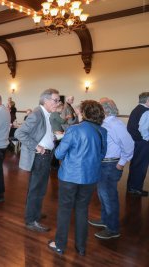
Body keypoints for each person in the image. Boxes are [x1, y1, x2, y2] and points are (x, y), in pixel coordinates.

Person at [48, 100, 107, 256]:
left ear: (85, 113)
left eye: (79, 111)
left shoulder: (74, 130)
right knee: (82, 210)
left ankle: (60, 245)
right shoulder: (103, 131)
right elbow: (102, 155)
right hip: (90, 177)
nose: (77, 113)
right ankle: (81, 248)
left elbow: (58, 154)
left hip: (70, 176)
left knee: (65, 210)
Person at [15, 88, 60, 232]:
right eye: (55, 100)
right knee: (36, 189)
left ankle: (35, 213)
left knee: (40, 188)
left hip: (46, 156)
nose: (58, 103)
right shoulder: (37, 114)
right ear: (46, 100)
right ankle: (31, 220)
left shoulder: (47, 114)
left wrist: (54, 136)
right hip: (40, 156)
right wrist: (37, 147)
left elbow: (43, 132)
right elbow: (19, 133)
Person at [88, 99, 134, 240]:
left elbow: (129, 145)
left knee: (109, 197)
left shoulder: (115, 124)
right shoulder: (105, 123)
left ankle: (113, 228)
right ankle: (105, 220)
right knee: (103, 195)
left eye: (98, 107)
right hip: (103, 164)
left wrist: (121, 163)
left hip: (110, 165)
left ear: (105, 110)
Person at [126, 92, 149, 196]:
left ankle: (132, 187)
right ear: (147, 100)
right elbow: (144, 130)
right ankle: (135, 188)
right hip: (142, 143)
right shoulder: (146, 111)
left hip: (136, 142)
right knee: (140, 166)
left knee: (135, 165)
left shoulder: (136, 109)